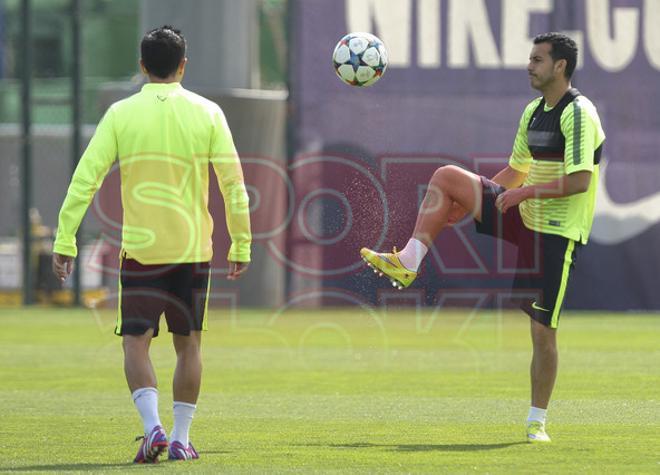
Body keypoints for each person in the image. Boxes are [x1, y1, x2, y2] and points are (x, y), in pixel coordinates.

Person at [360, 32, 604, 443]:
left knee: (542, 333)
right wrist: (473, 201)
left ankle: (536, 421)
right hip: (524, 211)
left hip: (556, 232)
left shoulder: (578, 112)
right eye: (530, 58)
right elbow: (513, 173)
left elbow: (580, 181)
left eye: (537, 59)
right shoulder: (533, 111)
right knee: (447, 178)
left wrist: (522, 193)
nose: (529, 65)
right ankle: (409, 261)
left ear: (560, 66)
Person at [52, 25, 251, 463]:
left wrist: (65, 238)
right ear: (183, 65)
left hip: (141, 252)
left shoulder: (121, 114)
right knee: (189, 345)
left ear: (142, 67)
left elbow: (85, 179)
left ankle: (152, 428)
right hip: (194, 251)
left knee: (134, 343)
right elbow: (234, 186)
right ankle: (179, 437)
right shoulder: (208, 113)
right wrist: (241, 242)